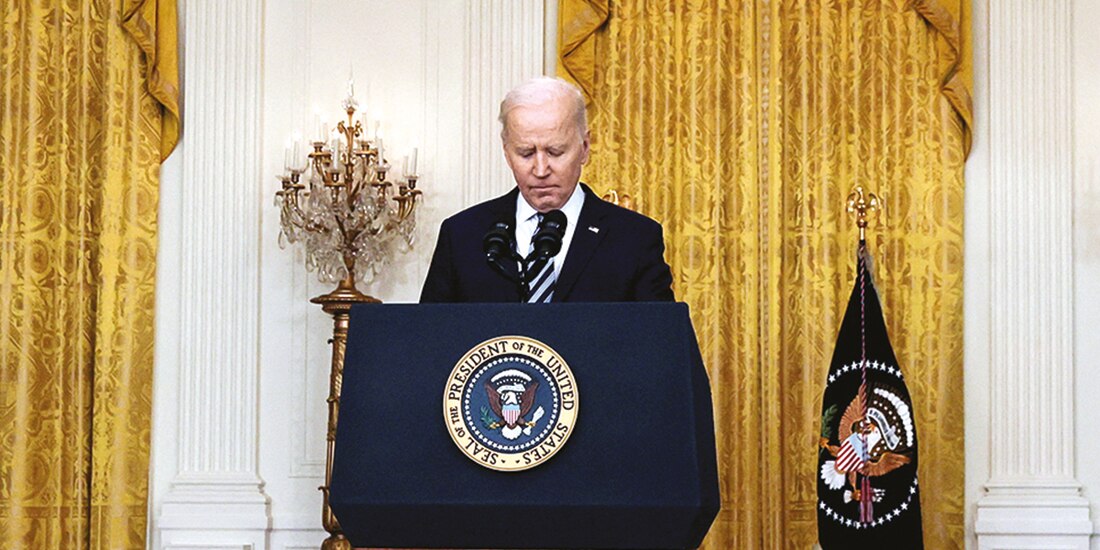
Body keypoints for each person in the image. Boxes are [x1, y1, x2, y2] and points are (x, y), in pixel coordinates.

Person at [419, 76, 674, 303]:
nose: (541, 170)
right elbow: (430, 341)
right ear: (507, 152)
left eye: (555, 152)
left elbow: (659, 345)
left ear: (585, 147)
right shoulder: (463, 235)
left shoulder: (634, 239)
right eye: (526, 153)